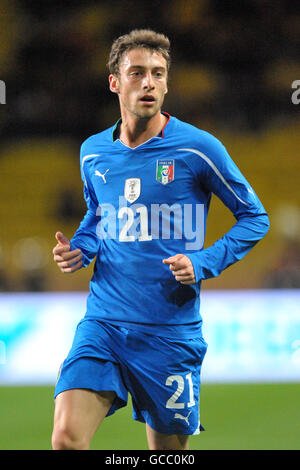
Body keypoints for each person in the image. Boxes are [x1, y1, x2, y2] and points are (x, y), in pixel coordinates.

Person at [51, 29, 269, 450]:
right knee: (65, 439)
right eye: (136, 73)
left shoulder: (198, 149)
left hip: (169, 332)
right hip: (104, 323)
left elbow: (254, 217)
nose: (148, 82)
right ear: (115, 82)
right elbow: (99, 215)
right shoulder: (93, 152)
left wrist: (204, 262)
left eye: (158, 74)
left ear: (167, 83)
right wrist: (81, 246)